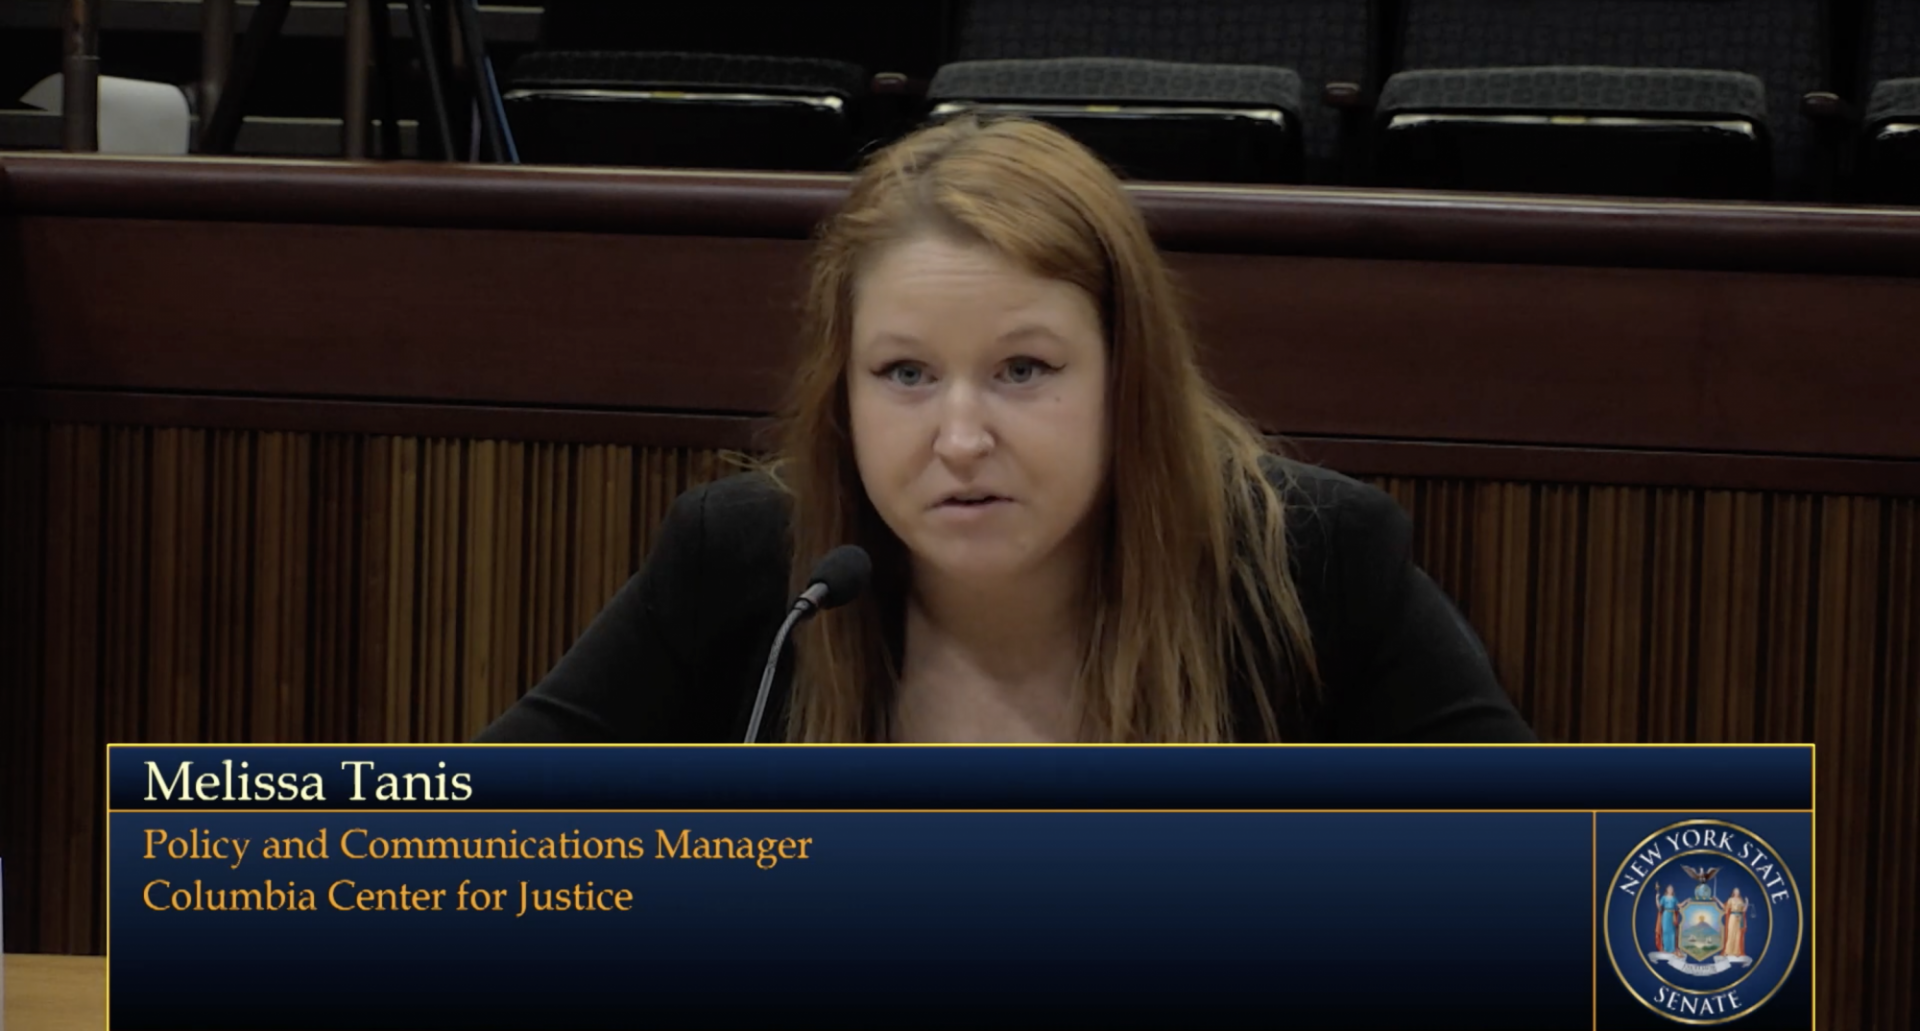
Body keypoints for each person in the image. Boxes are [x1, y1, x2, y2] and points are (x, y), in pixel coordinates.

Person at [475, 115, 1533, 745]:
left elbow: (1553, 877)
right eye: (905, 374)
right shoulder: (756, 567)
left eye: (1023, 369)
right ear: (840, 391)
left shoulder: (1309, 564)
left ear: (1131, 378)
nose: (962, 435)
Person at [1723, 888, 1748, 959]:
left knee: (1738, 934)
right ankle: (1727, 952)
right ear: (1733, 892)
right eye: (1735, 891)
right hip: (1733, 917)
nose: (1737, 893)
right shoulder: (1730, 900)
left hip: (1739, 918)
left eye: (1738, 891)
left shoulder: (1740, 900)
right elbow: (1725, 908)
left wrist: (1747, 902)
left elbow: (1744, 910)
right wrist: (1718, 901)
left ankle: (1737, 952)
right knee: (1731, 934)